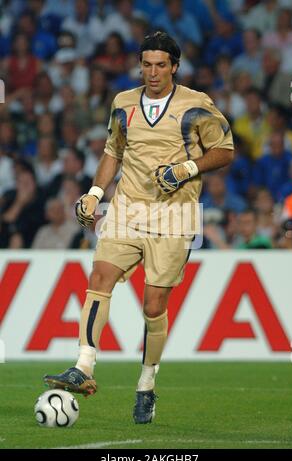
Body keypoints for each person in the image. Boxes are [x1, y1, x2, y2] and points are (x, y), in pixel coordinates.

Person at [43, 31, 234, 424]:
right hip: (127, 208)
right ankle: (84, 366)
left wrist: (187, 168)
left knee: (153, 305)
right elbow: (113, 151)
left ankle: (147, 383)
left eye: (160, 65)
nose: (152, 72)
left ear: (175, 67)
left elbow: (225, 150)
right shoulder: (123, 103)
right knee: (99, 276)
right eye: (146, 64)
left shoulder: (196, 105)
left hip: (174, 215)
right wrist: (96, 192)